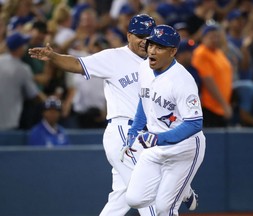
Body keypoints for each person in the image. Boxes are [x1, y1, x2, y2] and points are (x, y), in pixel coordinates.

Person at [29, 14, 157, 216]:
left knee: (122, 197)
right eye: (140, 35)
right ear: (129, 35)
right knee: (146, 189)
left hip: (146, 134)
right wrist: (54, 57)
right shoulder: (114, 57)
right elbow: (78, 64)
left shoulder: (155, 62)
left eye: (149, 37)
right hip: (125, 131)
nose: (144, 41)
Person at [120, 25, 206, 215]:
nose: (151, 50)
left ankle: (179, 187)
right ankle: (183, 189)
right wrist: (134, 130)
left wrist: (158, 139)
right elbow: (145, 100)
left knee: (163, 208)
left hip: (185, 148)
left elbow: (194, 123)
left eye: (159, 47)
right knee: (134, 198)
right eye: (151, 45)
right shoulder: (144, 67)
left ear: (173, 51)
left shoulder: (182, 80)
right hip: (156, 147)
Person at [0, 32, 45, 130]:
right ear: (19, 48)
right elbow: (34, 95)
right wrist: (48, 102)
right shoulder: (23, 69)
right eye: (23, 45)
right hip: (9, 123)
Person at [192, 24, 233, 127]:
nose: (215, 39)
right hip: (209, 107)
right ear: (203, 38)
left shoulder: (218, 52)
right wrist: (224, 104)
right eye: (211, 37)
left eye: (217, 36)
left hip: (220, 106)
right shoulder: (201, 53)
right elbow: (208, 80)